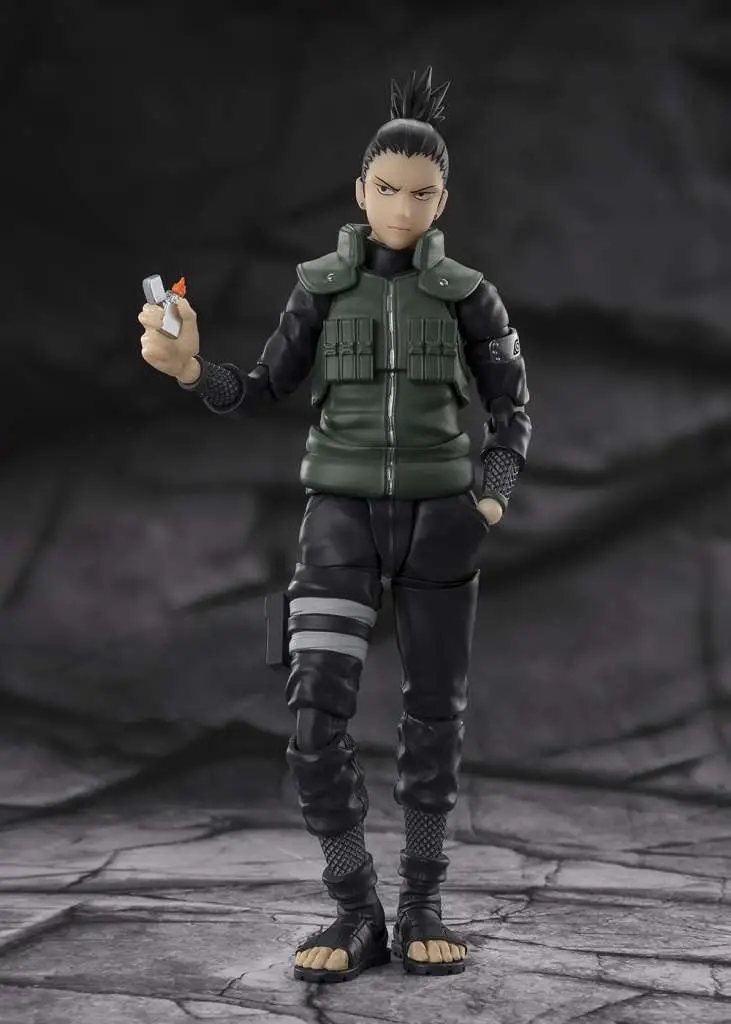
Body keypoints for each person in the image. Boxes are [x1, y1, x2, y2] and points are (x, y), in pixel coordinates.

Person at [138, 66, 531, 983]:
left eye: (421, 194)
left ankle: (423, 900)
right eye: (387, 190)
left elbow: (511, 411)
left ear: (443, 200)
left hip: (439, 523)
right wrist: (191, 369)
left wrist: (488, 498)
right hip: (338, 524)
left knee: (433, 720)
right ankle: (355, 906)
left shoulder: (470, 295)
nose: (402, 209)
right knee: (314, 718)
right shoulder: (317, 289)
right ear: (359, 191)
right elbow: (259, 389)